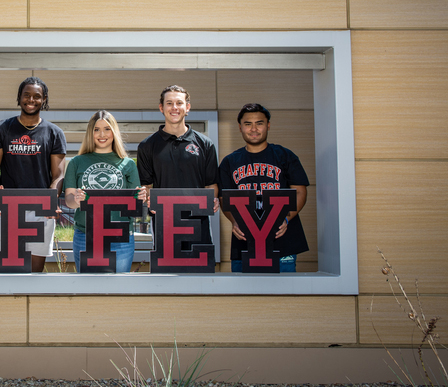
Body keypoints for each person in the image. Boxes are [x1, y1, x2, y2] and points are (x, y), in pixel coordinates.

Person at [0, 77, 67, 273]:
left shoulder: (54, 133)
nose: (31, 100)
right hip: (9, 209)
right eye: (26, 95)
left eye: (37, 96)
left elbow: (59, 174)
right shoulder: (1, 129)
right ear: (19, 97)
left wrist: (51, 199)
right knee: (5, 272)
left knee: (34, 273)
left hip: (41, 210)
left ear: (44, 99)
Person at [217, 103, 309, 272]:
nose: (254, 129)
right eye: (248, 124)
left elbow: (300, 191)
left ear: (268, 125)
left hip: (282, 239)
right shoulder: (229, 162)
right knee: (243, 294)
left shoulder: (285, 156)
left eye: (259, 123)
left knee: (284, 293)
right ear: (240, 127)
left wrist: (286, 218)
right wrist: (234, 221)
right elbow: (224, 198)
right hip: (244, 239)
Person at [137, 85, 219, 248]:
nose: (174, 108)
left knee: (199, 271)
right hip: (163, 224)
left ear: (187, 107)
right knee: (165, 271)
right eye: (169, 103)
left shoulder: (205, 144)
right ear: (161, 108)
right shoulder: (147, 146)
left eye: (179, 103)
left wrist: (213, 198)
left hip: (198, 223)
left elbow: (212, 185)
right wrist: (148, 198)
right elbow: (145, 186)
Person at [64, 111, 147, 273]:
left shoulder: (128, 164)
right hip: (85, 235)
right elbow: (68, 200)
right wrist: (77, 199)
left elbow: (135, 205)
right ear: (90, 133)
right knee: (88, 291)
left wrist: (141, 198)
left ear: (114, 132)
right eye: (96, 129)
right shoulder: (76, 162)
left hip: (120, 237)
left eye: (107, 129)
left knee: (118, 292)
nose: (102, 134)